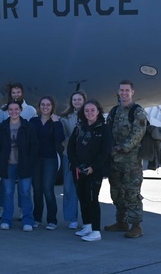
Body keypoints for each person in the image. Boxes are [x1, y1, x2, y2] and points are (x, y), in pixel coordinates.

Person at [107, 80, 148, 238]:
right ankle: (121, 222)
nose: (124, 93)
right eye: (121, 91)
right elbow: (108, 130)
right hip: (115, 161)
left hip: (131, 161)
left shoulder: (137, 112)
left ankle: (136, 226)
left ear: (132, 92)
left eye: (126, 91)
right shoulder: (114, 111)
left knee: (132, 194)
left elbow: (137, 134)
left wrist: (120, 148)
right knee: (117, 192)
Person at [68, 100, 111, 242]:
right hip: (79, 170)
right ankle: (87, 225)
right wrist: (76, 164)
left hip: (95, 171)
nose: (90, 113)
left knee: (93, 199)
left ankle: (96, 230)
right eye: (87, 110)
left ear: (98, 111)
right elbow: (71, 148)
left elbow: (105, 152)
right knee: (83, 197)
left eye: (93, 110)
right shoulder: (79, 127)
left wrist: (93, 167)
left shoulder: (104, 129)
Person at [0, 100, 38, 231]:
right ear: (8, 111)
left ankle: (28, 220)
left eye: (16, 109)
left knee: (25, 192)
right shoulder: (2, 127)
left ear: (20, 110)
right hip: (7, 165)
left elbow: (34, 147)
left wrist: (30, 162)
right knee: (7, 192)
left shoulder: (28, 127)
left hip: (24, 165)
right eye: (11, 109)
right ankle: (6, 219)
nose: (13, 112)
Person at [29, 95, 64, 230]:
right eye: (43, 105)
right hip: (36, 159)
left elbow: (59, 139)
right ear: (39, 107)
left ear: (52, 107)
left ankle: (52, 220)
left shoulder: (56, 122)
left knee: (48, 190)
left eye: (48, 105)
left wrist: (56, 123)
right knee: (37, 190)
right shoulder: (33, 121)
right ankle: (37, 218)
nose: (45, 107)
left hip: (50, 159)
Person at [60, 91, 87, 230]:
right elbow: (63, 136)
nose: (77, 101)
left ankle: (87, 219)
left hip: (86, 157)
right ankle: (72, 218)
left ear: (84, 100)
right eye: (74, 99)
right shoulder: (65, 118)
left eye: (79, 99)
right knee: (69, 188)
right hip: (69, 156)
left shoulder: (89, 115)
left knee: (85, 189)